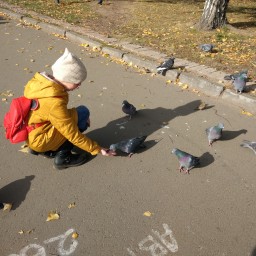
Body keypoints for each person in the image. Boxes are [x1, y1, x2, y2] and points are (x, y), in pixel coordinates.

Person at [24, 48, 116, 170]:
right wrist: (97, 149)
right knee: (82, 115)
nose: (79, 86)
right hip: (40, 139)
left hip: (32, 132)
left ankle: (46, 149)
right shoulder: (54, 102)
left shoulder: (40, 85)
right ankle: (63, 157)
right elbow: (72, 134)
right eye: (77, 82)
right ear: (68, 79)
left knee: (80, 113)